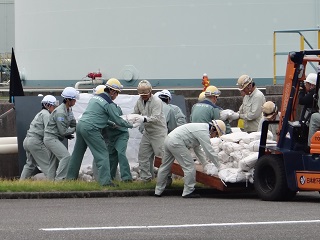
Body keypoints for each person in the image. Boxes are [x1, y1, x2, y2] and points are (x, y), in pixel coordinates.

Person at [66, 78, 133, 186]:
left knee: (77, 154)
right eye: (117, 93)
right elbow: (118, 119)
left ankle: (70, 179)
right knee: (103, 155)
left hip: (81, 125)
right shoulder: (108, 103)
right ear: (112, 91)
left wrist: (111, 124)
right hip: (91, 129)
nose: (117, 96)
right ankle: (105, 182)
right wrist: (131, 124)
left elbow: (99, 117)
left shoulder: (95, 98)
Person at [154, 120, 226, 198]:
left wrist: (205, 163)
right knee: (189, 166)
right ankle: (188, 191)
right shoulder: (203, 132)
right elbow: (209, 151)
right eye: (216, 134)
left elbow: (197, 149)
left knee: (165, 166)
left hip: (169, 139)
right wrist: (219, 166)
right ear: (213, 129)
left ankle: (158, 191)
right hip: (176, 142)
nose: (214, 137)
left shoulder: (200, 128)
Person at [95, 84, 133, 182]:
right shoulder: (102, 105)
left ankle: (127, 178)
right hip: (110, 136)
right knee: (111, 157)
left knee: (121, 153)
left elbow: (118, 120)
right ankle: (109, 179)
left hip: (121, 134)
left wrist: (130, 125)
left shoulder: (113, 106)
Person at [132, 80, 168, 182]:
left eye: (145, 95)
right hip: (147, 132)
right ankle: (146, 178)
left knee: (162, 156)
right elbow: (135, 113)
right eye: (141, 95)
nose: (143, 96)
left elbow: (156, 118)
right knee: (143, 155)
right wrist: (131, 119)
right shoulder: (139, 101)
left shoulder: (157, 101)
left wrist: (143, 119)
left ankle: (166, 179)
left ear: (150, 92)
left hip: (158, 132)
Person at [44, 87, 78, 180]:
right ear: (68, 100)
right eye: (74, 99)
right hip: (51, 138)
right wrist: (76, 129)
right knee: (66, 157)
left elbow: (73, 123)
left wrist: (77, 126)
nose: (75, 101)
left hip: (52, 138)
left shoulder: (68, 110)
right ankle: (60, 180)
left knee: (53, 162)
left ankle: (51, 184)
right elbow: (63, 131)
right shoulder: (60, 112)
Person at [20, 95, 57, 180]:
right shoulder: (46, 115)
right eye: (54, 106)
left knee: (30, 164)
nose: (54, 108)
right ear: (48, 105)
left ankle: (20, 184)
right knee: (48, 164)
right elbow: (49, 130)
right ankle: (54, 186)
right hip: (35, 142)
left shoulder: (39, 113)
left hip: (27, 141)